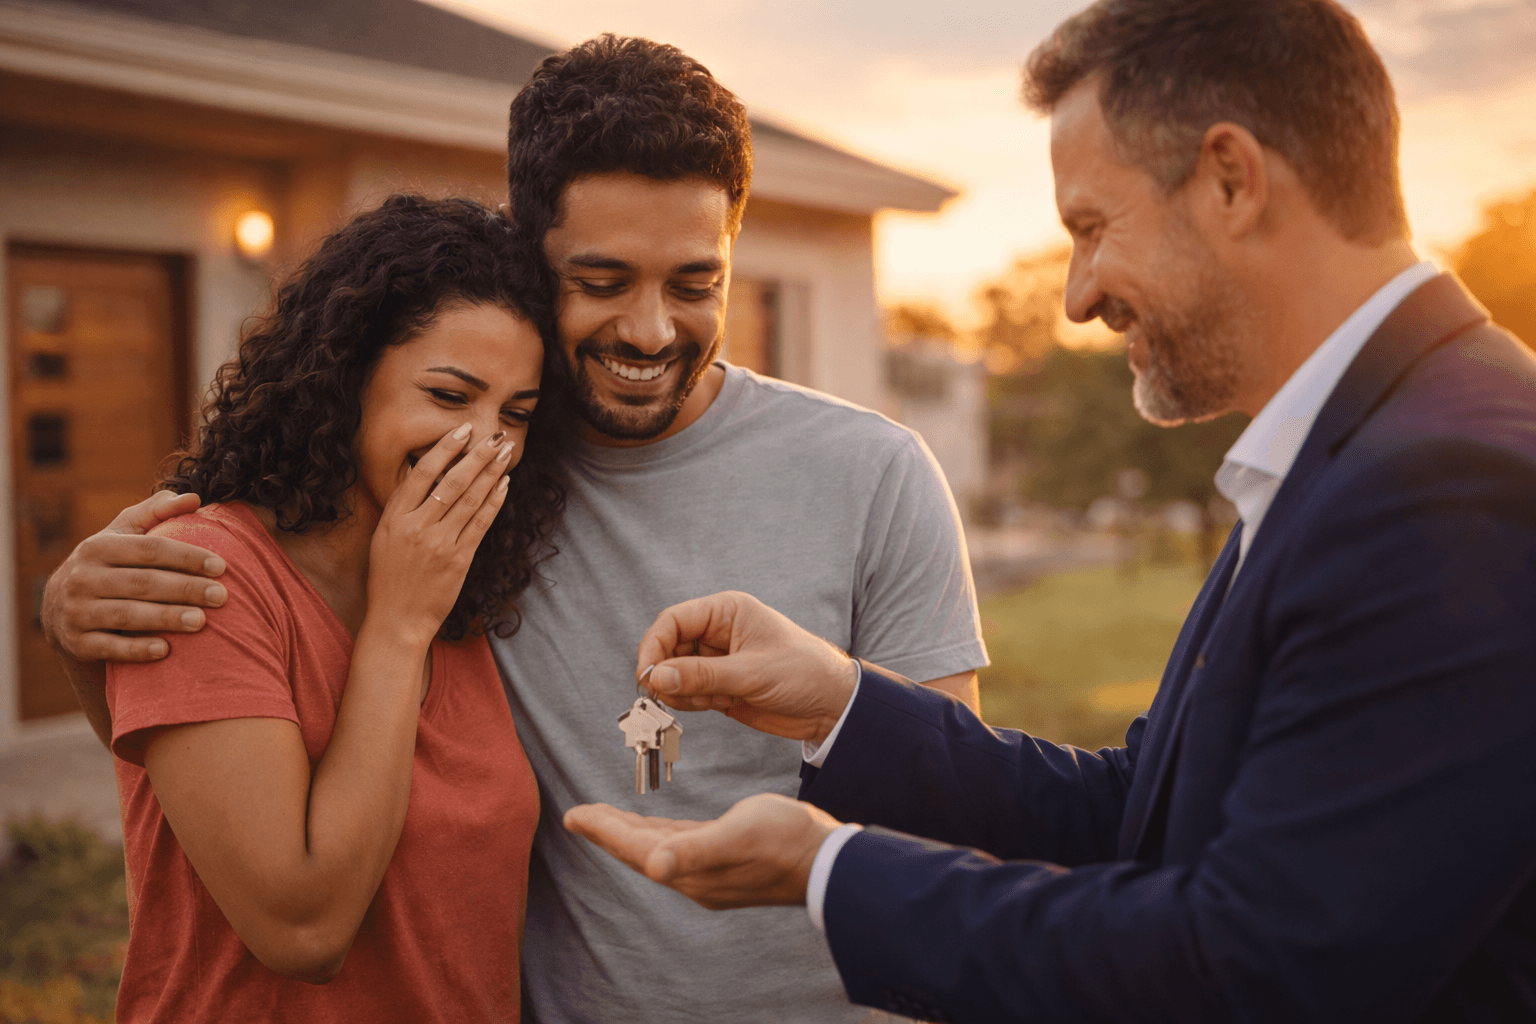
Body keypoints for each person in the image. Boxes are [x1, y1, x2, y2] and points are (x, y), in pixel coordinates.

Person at [563, 1, 1536, 1020]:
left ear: (1230, 178)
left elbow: (1254, 966)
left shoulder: (1446, 480)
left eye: (1090, 228)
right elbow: (1142, 813)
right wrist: (838, 699)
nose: (1076, 296)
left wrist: (831, 871)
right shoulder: (1357, 449)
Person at [41, 36, 987, 1024]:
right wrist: (70, 618)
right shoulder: (476, 499)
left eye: (696, 284)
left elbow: (959, 817)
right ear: (531, 266)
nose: (652, 330)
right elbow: (220, 766)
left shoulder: (874, 476)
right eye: (605, 278)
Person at [100, 194, 567, 1021]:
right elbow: (302, 930)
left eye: (516, 415)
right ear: (347, 375)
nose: (487, 446)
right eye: (451, 396)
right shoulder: (210, 572)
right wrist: (397, 625)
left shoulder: (467, 586)